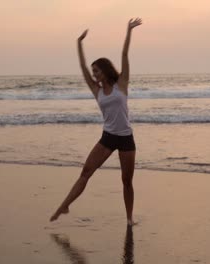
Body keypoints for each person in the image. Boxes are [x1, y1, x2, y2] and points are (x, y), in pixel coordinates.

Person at [50, 18, 143, 226]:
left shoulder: (122, 83)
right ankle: (63, 206)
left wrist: (129, 31)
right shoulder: (96, 90)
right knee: (86, 172)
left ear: (105, 70)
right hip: (107, 137)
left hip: (126, 138)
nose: (94, 75)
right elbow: (82, 66)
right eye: (93, 73)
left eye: (97, 71)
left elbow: (125, 55)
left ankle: (129, 219)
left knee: (127, 181)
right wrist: (79, 43)